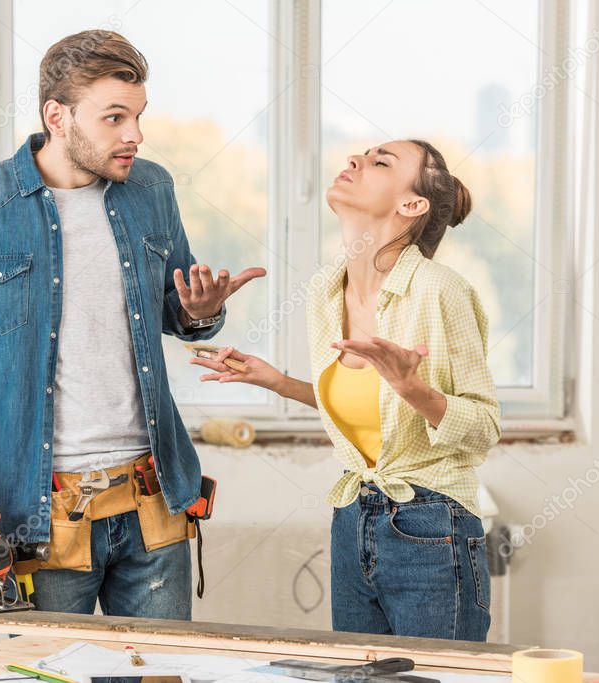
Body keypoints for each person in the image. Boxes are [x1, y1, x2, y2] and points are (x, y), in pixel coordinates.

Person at [0, 30, 264, 619]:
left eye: (139, 116)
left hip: (154, 503)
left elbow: (177, 312)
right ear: (58, 116)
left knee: (158, 674)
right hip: (37, 510)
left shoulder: (152, 188)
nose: (135, 135)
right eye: (114, 117)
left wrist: (200, 313)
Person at [190, 139, 500, 640]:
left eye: (381, 162)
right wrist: (279, 383)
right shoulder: (326, 290)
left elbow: (484, 428)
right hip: (354, 514)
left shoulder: (441, 290)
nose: (355, 160)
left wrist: (411, 387)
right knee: (359, 675)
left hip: (432, 523)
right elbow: (370, 408)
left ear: (411, 205)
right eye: (362, 154)